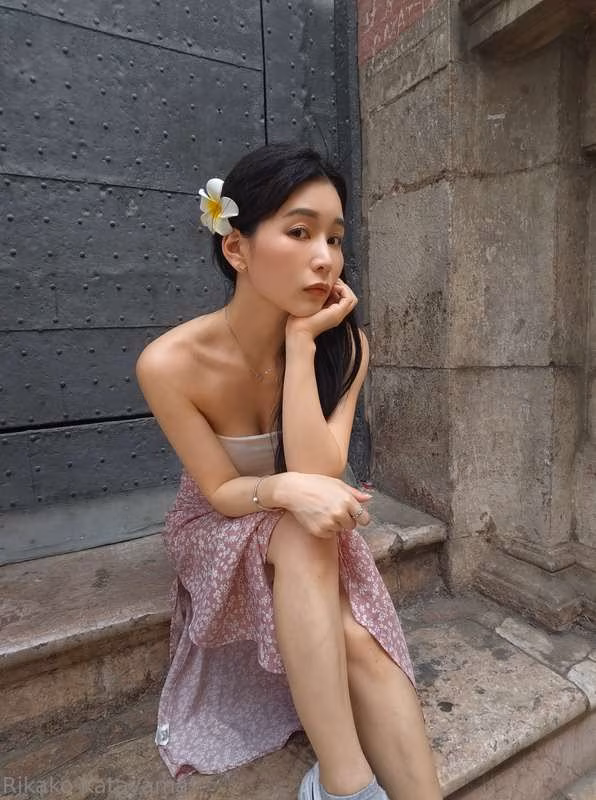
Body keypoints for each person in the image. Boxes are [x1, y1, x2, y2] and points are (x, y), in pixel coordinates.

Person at [135, 142, 443, 800]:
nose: (325, 257)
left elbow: (319, 470)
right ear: (236, 248)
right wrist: (284, 489)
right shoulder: (169, 363)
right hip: (221, 518)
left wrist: (302, 347)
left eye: (335, 238)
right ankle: (346, 782)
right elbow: (221, 490)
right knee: (304, 534)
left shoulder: (346, 345)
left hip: (308, 515)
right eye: (299, 232)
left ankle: (360, 789)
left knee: (355, 635)